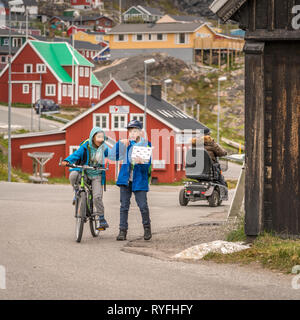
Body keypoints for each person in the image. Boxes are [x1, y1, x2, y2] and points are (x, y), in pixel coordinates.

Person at [108, 120, 152, 241]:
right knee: (124, 206)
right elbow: (112, 156)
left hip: (139, 181)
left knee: (143, 206)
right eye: (130, 131)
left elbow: (147, 166)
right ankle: (122, 231)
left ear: (140, 132)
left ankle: (147, 228)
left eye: (135, 131)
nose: (132, 134)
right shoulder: (126, 144)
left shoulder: (146, 144)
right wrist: (119, 144)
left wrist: (141, 162)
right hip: (125, 180)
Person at [61, 127, 109, 230]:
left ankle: (101, 219)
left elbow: (113, 155)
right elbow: (76, 154)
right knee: (73, 175)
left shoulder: (103, 147)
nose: (100, 139)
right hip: (85, 172)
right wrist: (67, 160)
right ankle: (77, 192)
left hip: (97, 175)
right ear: (93, 136)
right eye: (98, 136)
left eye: (102, 137)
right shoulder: (86, 145)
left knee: (97, 197)